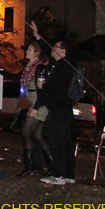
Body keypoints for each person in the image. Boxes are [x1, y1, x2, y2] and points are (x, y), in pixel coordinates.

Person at [0, 35, 52, 176]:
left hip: (39, 102)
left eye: (29, 50)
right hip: (33, 100)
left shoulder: (39, 68)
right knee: (37, 135)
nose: (26, 51)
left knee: (26, 132)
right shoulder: (29, 67)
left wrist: (36, 107)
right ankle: (51, 164)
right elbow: (16, 77)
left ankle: (30, 166)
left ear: (36, 53)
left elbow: (42, 90)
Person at [34, 36, 76, 185]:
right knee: (65, 143)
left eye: (56, 47)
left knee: (56, 142)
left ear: (63, 51)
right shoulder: (61, 64)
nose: (52, 49)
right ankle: (69, 174)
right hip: (63, 110)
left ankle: (58, 175)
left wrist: (43, 86)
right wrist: (39, 37)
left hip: (59, 110)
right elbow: (46, 51)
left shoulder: (63, 68)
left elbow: (56, 89)